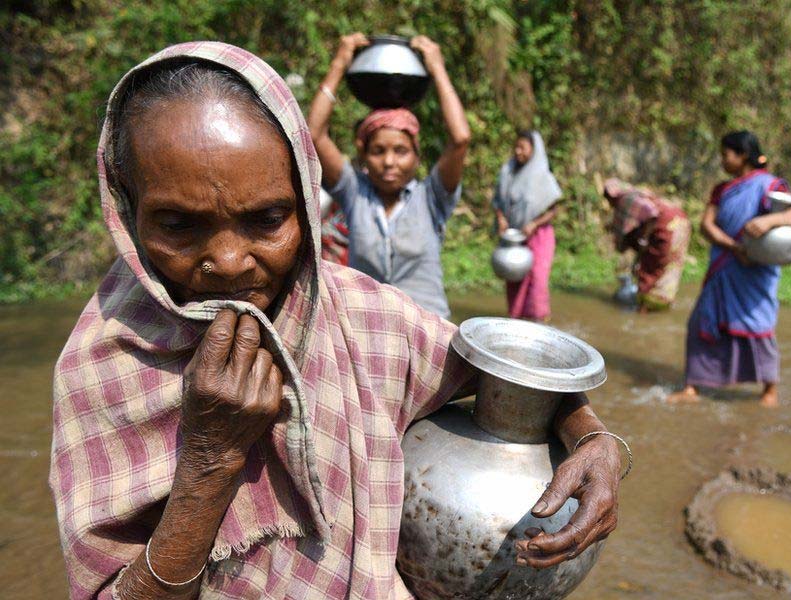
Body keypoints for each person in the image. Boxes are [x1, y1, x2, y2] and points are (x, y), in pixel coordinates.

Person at [48, 42, 624, 599]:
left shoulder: (363, 316)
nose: (227, 262)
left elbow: (508, 377)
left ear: (304, 199)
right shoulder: (105, 365)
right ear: (127, 208)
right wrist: (210, 462)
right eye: (177, 225)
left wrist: (594, 439)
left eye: (268, 218)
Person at [307, 33, 468, 318]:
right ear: (364, 157)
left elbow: (460, 138)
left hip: (429, 332)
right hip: (367, 330)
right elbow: (314, 134)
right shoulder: (355, 193)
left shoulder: (431, 197)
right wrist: (339, 64)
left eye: (401, 151)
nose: (390, 162)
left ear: (417, 156)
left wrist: (438, 68)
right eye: (378, 151)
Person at [668, 131, 791, 407]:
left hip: (756, 271)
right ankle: (692, 387)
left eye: (726, 154)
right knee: (702, 323)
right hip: (726, 265)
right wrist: (733, 247)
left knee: (758, 326)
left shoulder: (770, 185)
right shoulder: (723, 189)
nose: (722, 160)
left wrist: (769, 222)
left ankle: (770, 391)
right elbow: (707, 225)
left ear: (742, 155)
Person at [493, 130, 561, 321]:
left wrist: (534, 223)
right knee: (514, 280)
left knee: (537, 280)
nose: (518, 151)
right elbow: (498, 201)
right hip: (515, 237)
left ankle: (539, 322)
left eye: (522, 147)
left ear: (534, 149)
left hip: (539, 236)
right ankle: (516, 322)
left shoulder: (543, 177)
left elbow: (554, 209)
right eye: (516, 147)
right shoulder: (508, 172)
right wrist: (501, 218)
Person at [603, 178, 691, 311]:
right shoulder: (638, 194)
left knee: (652, 265)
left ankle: (645, 307)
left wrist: (644, 238)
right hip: (680, 222)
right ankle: (662, 303)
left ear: (611, 195)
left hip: (666, 226)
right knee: (669, 264)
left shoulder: (626, 199)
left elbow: (651, 213)